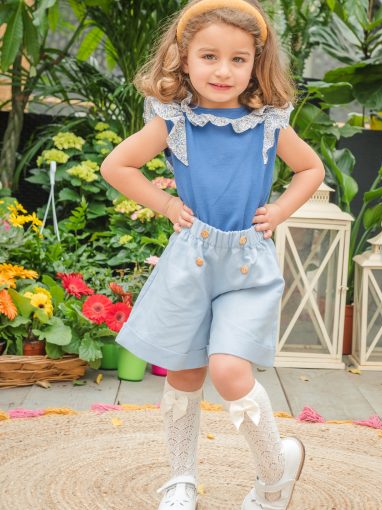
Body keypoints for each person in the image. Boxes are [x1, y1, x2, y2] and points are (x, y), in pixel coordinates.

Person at [100, 0, 325, 508]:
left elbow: (310, 169)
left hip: (247, 264)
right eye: (209, 56)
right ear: (183, 58)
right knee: (184, 371)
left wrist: (279, 210)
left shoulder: (268, 123)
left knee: (228, 371)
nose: (223, 71)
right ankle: (181, 478)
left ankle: (274, 476)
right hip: (191, 261)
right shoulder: (174, 122)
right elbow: (117, 166)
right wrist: (165, 204)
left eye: (238, 59)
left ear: (255, 63)